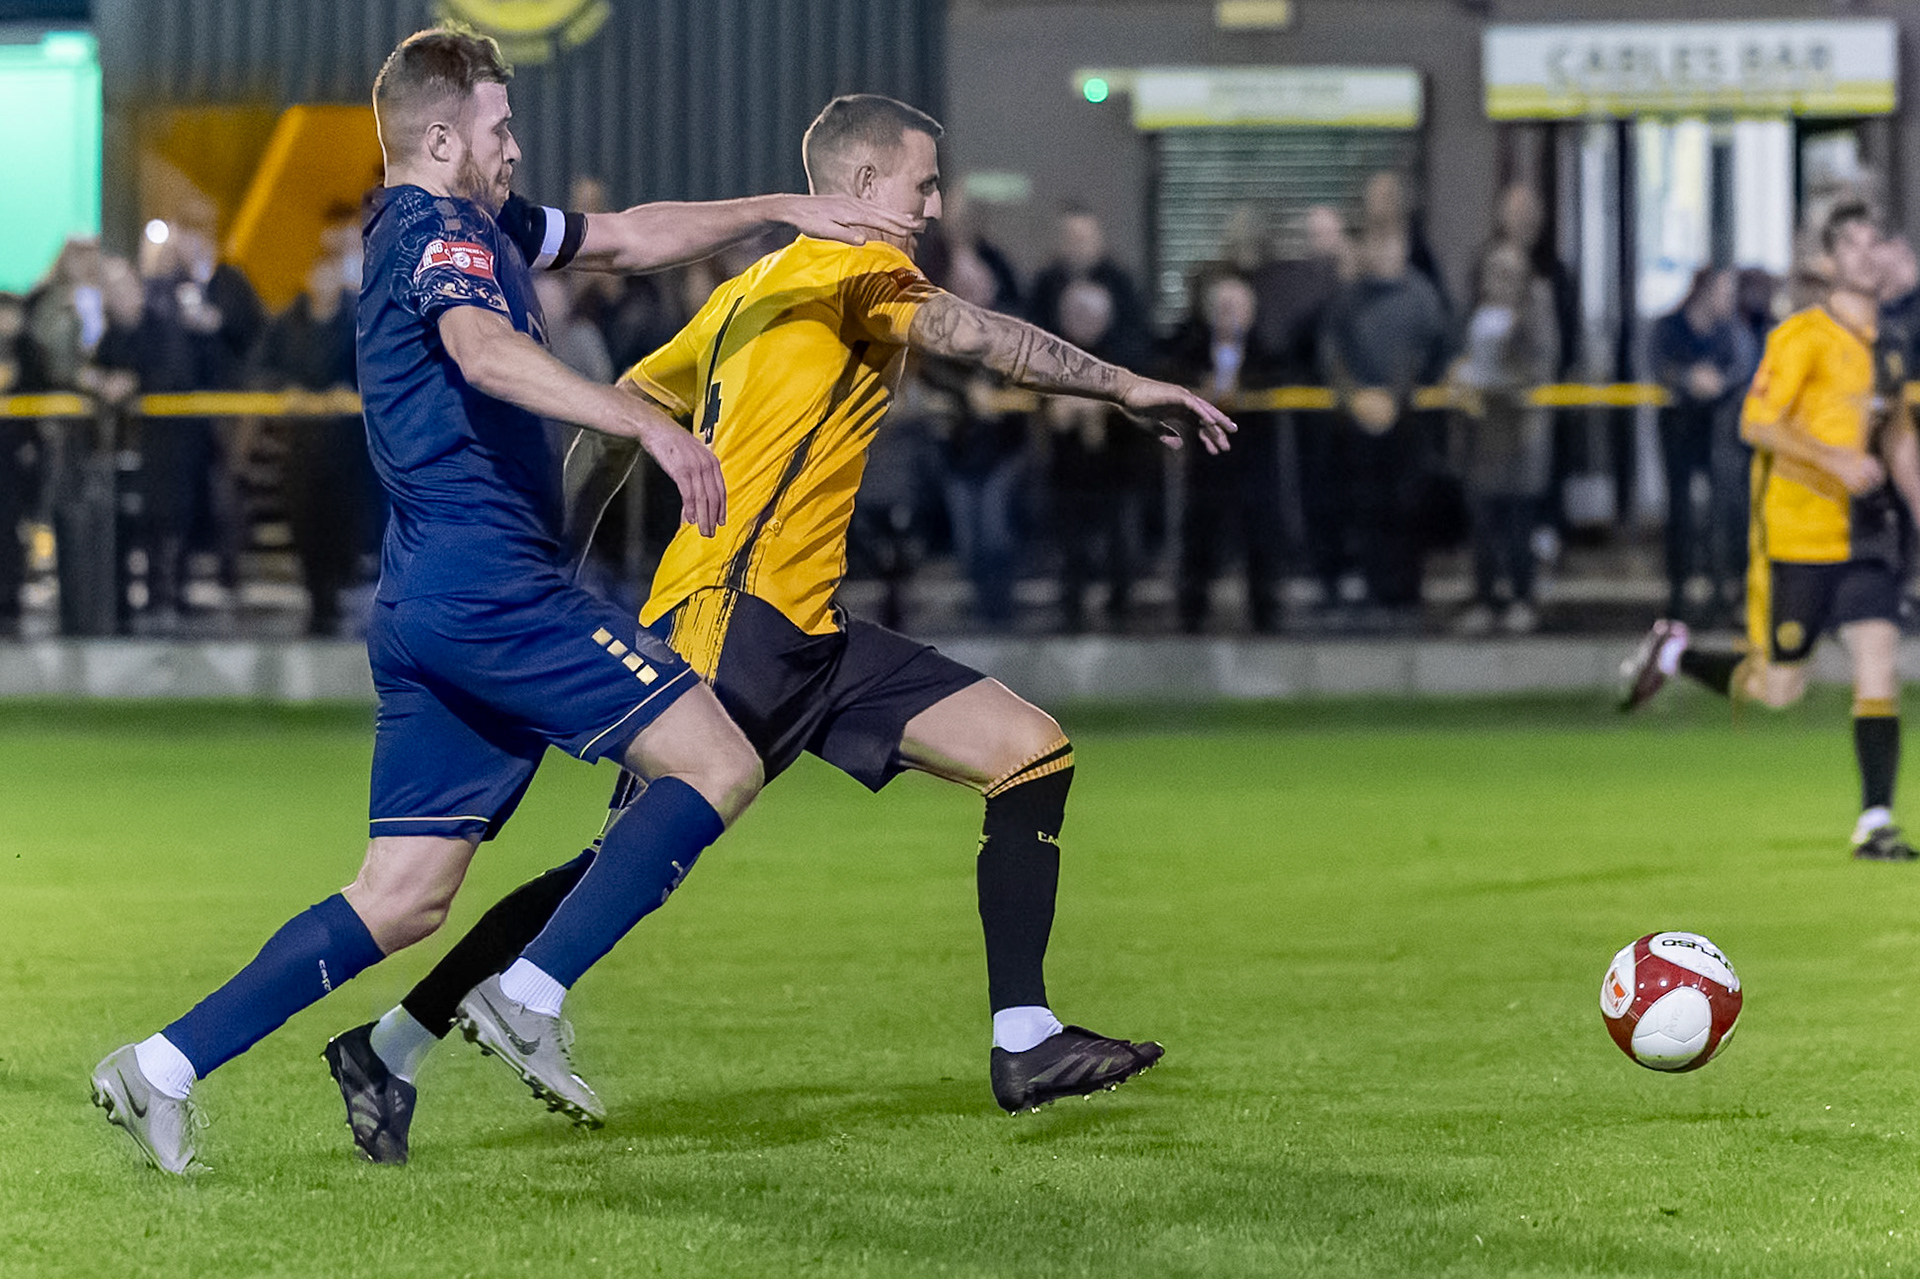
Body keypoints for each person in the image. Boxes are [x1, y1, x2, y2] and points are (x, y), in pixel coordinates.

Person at [329, 92, 1236, 1165]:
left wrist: (556, 559)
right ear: (858, 191)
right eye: (923, 184)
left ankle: (1024, 1038)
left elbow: (624, 412)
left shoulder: (744, 294)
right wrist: (1126, 383)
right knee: (626, 854)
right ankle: (460, 1018)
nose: (936, 206)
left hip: (813, 628)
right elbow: (974, 335)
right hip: (735, 610)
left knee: (1029, 752)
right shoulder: (850, 267)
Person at [89, 26, 922, 1177]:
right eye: (499, 129)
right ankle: (528, 992)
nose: (516, 149)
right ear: (442, 137)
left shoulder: (476, 224)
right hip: (494, 590)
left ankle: (161, 1066)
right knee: (719, 765)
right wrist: (636, 416)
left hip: (432, 599)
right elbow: (481, 352)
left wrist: (788, 205)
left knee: (403, 895)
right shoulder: (436, 233)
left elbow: (629, 237)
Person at [1621, 201, 1920, 863]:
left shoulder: (1893, 341)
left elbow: (1898, 433)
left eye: (1877, 243)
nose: (1869, 256)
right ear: (1826, 262)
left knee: (1879, 663)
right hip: (1798, 534)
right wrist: (1835, 457)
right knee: (1780, 688)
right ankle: (1674, 657)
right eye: (1854, 245)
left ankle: (1875, 821)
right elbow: (1756, 423)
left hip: (1867, 537)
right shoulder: (1801, 337)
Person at [1318, 226, 1451, 618]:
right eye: (1375, 242)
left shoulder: (1422, 297)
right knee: (1366, 510)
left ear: (1404, 247)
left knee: (1408, 510)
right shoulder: (1348, 300)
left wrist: (1397, 396)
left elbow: (1436, 351)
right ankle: (1374, 590)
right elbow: (1331, 352)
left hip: (1410, 428)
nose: (1382, 252)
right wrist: (1355, 397)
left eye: (1389, 242)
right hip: (1357, 429)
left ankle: (1406, 594)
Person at [256, 209, 376, 636]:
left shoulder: (357, 319)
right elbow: (263, 370)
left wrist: (349, 394)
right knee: (305, 523)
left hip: (346, 447)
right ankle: (317, 599)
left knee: (341, 522)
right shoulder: (288, 324)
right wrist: (286, 393)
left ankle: (335, 597)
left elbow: (374, 369)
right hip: (301, 445)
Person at [1165, 269, 1284, 633]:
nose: (1229, 313)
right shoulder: (1191, 350)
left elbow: (1279, 383)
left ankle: (1266, 620)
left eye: (1236, 306)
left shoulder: (1266, 353)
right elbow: (1169, 375)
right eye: (1222, 306)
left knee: (1260, 542)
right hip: (1206, 464)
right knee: (1199, 542)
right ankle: (1191, 621)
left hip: (1252, 463)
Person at [1449, 243, 1558, 636]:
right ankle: (1484, 599)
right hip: (1480, 436)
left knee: (1518, 524)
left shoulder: (1533, 317)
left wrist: (1491, 382)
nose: (1499, 280)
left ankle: (1521, 598)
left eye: (1509, 273)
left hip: (1519, 433)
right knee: (1483, 524)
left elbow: (1537, 371)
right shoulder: (1472, 317)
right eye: (1494, 271)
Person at [1649, 267, 1750, 625]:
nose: (1729, 300)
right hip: (1678, 428)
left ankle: (1723, 589)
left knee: (1724, 510)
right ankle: (1679, 591)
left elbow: (1744, 367)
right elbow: (1657, 366)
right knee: (1681, 510)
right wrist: (1688, 378)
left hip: (1718, 429)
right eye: (1724, 291)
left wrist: (1717, 383)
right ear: (1704, 291)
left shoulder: (1731, 332)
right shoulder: (1669, 327)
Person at [1046, 276, 1143, 631]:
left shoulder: (1124, 356)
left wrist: (1094, 409)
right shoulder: (1051, 354)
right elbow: (1049, 413)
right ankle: (1071, 615)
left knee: (1121, 546)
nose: (1081, 321)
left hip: (1115, 469)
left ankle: (1122, 615)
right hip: (1069, 472)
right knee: (1072, 549)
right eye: (1075, 313)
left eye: (1089, 314)